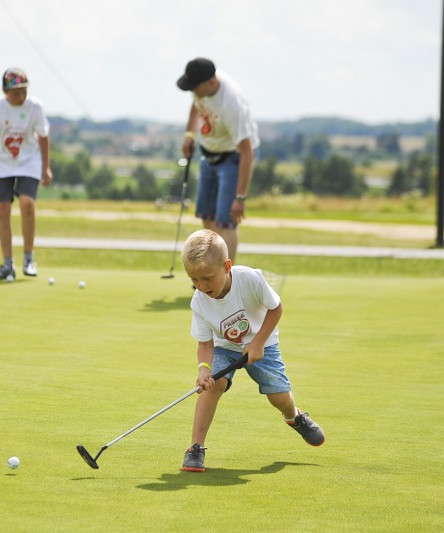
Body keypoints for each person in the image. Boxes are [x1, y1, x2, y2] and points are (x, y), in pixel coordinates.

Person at [179, 229, 324, 472]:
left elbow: (275, 309)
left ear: (226, 266)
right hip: (224, 348)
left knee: (279, 398)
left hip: (263, 344)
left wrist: (257, 343)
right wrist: (204, 369)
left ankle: (294, 417)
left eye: (207, 278)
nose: (201, 286)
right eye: (194, 280)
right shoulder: (199, 301)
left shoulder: (251, 279)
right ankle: (195, 447)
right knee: (213, 386)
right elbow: (205, 344)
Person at [0, 67, 53, 280]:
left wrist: (46, 167)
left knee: (27, 203)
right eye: (16, 92)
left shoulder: (35, 107)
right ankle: (7, 264)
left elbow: (43, 137)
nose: (21, 96)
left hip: (29, 160)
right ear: (5, 91)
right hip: (0, 161)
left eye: (24, 91)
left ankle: (28, 258)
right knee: (1, 208)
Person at [177, 58, 260, 261]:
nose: (192, 92)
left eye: (194, 87)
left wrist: (240, 198)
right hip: (209, 154)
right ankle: (211, 271)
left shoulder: (232, 104)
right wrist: (190, 135)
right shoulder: (202, 89)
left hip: (233, 157)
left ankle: (226, 280)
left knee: (226, 220)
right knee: (206, 215)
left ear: (211, 83)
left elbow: (247, 152)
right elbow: (196, 105)